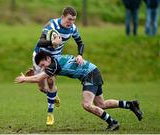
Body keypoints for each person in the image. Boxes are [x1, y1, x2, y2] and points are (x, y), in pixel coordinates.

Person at [15, 51, 143, 131]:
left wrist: (24, 79)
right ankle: (130, 104)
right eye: (41, 66)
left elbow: (40, 77)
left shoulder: (53, 65)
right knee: (101, 104)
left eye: (43, 64)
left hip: (90, 75)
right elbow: (42, 76)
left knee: (87, 104)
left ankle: (113, 122)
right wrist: (33, 73)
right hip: (93, 71)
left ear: (48, 59)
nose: (43, 68)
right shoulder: (54, 61)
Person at [25, 6, 85, 126]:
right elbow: (40, 41)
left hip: (54, 59)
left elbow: (80, 42)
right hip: (40, 56)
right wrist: (52, 42)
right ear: (62, 16)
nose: (71, 22)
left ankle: (50, 114)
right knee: (43, 88)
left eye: (73, 20)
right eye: (69, 19)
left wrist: (80, 55)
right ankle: (53, 95)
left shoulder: (72, 28)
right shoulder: (52, 25)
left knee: (51, 81)